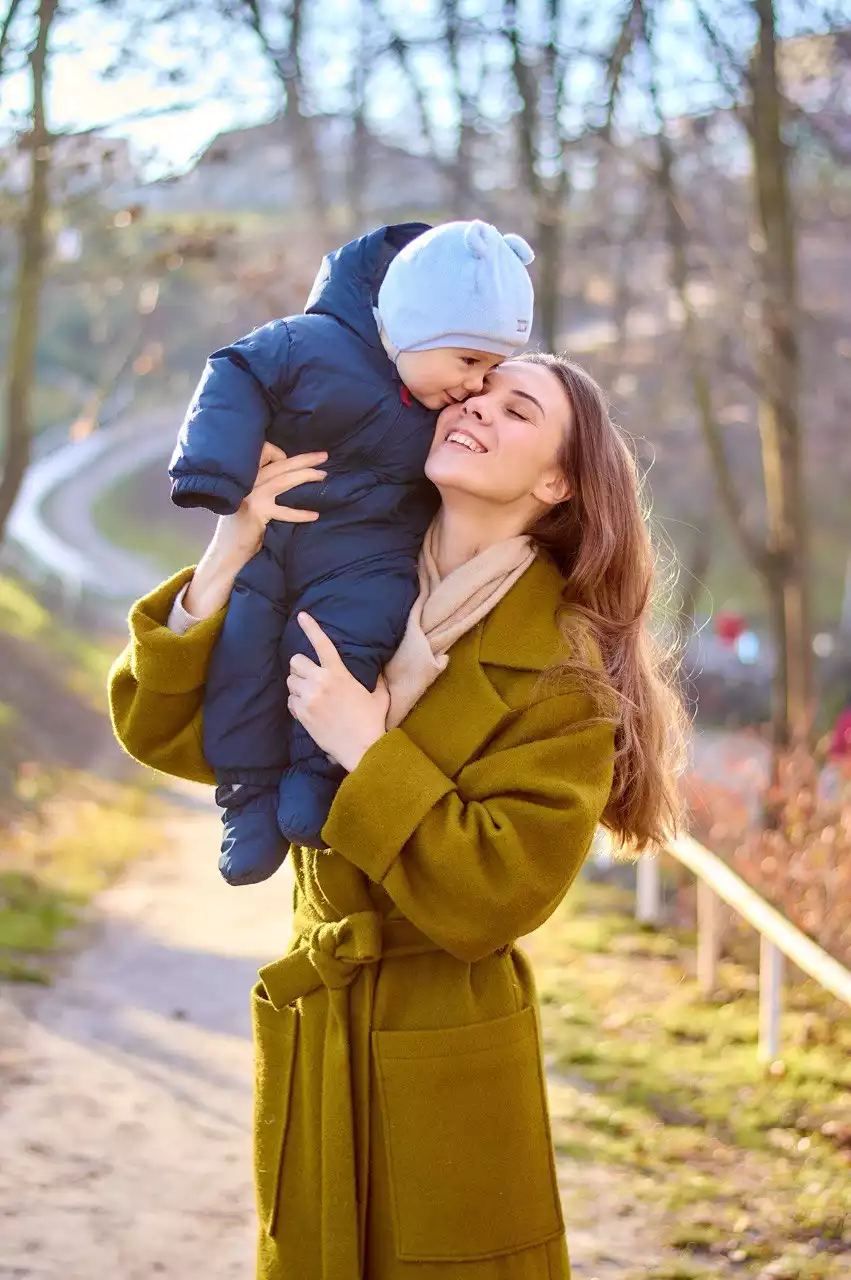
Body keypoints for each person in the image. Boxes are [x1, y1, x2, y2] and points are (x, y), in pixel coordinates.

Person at [109, 352, 687, 1280]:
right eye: (473, 395)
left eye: (517, 410)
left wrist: (367, 751)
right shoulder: (342, 566)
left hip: (444, 1033)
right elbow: (164, 728)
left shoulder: (562, 668)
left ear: (556, 481)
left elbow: (502, 889)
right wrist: (232, 551)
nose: (477, 412)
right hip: (320, 1011)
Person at [169, 219, 535, 883]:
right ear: (419, 326)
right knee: (246, 654)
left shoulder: (439, 411)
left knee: (345, 645)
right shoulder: (311, 346)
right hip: (275, 541)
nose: (476, 392)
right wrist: (215, 476)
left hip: (363, 560)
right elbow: (237, 371)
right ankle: (248, 797)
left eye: (493, 375)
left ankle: (315, 779)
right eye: (470, 364)